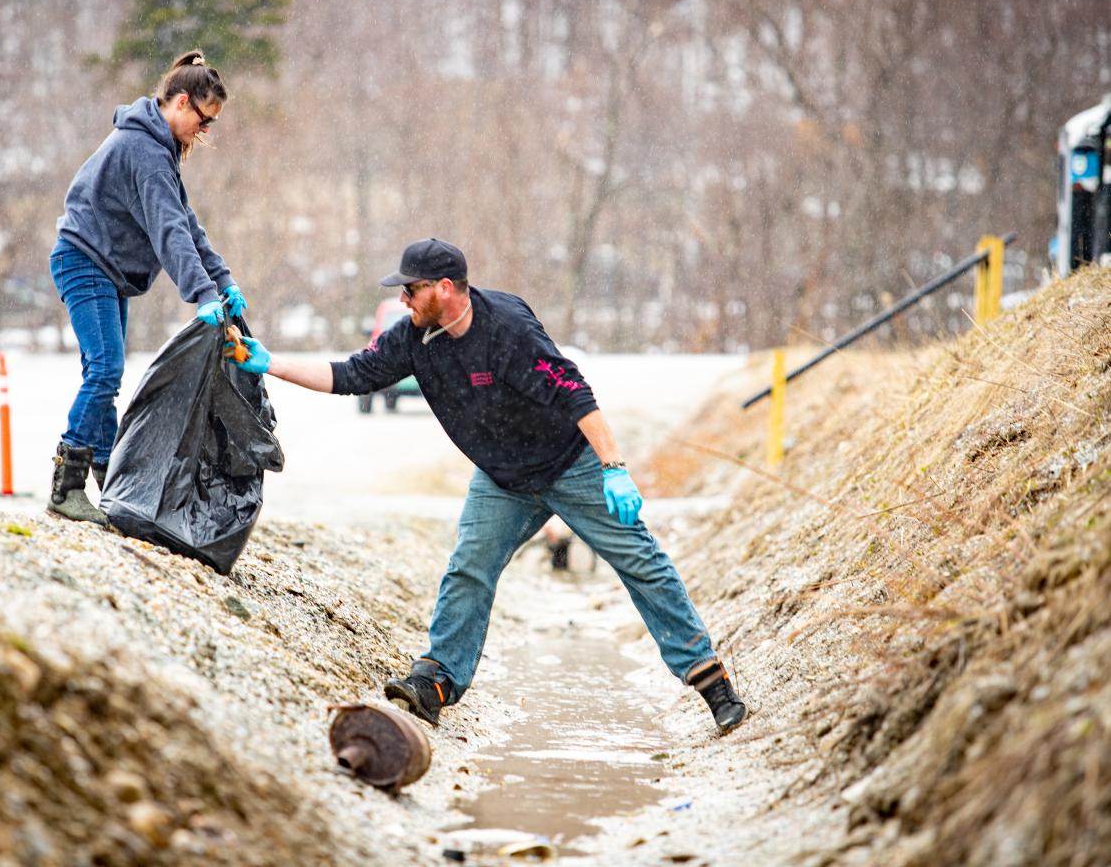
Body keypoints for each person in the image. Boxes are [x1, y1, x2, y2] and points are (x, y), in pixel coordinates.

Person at [225, 238, 748, 733]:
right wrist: (270, 362)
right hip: (502, 479)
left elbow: (574, 392)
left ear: (445, 287)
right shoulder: (413, 338)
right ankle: (436, 682)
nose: (403, 298)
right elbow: (352, 375)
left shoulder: (508, 329)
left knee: (640, 560)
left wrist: (613, 466)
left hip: (570, 464)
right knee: (469, 568)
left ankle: (711, 682)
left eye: (412, 289)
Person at [46, 49, 249, 525]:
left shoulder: (159, 148)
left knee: (104, 373)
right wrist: (200, 295)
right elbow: (168, 233)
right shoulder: (145, 151)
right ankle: (66, 484)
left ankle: (110, 482)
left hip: (105, 270)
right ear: (181, 103)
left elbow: (187, 225)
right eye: (204, 120)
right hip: (84, 261)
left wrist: (222, 282)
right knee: (104, 371)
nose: (205, 131)